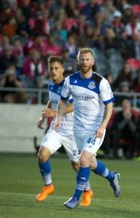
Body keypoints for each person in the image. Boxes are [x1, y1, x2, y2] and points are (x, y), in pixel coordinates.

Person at [53, 48, 121, 209]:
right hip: (77, 129)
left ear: (93, 62)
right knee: (90, 163)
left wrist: (103, 126)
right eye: (81, 59)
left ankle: (76, 197)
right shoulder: (70, 81)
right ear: (78, 61)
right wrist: (59, 118)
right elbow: (62, 101)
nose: (84, 62)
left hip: (95, 129)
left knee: (82, 160)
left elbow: (109, 107)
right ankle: (112, 177)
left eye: (87, 59)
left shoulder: (100, 82)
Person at [36, 56, 93, 206]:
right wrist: (44, 116)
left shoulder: (69, 85)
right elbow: (52, 100)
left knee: (76, 165)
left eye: (56, 68)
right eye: (51, 68)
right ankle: (48, 185)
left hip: (72, 131)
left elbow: (74, 105)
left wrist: (54, 113)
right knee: (42, 155)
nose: (53, 71)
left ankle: (87, 191)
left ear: (62, 69)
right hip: (57, 129)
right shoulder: (51, 85)